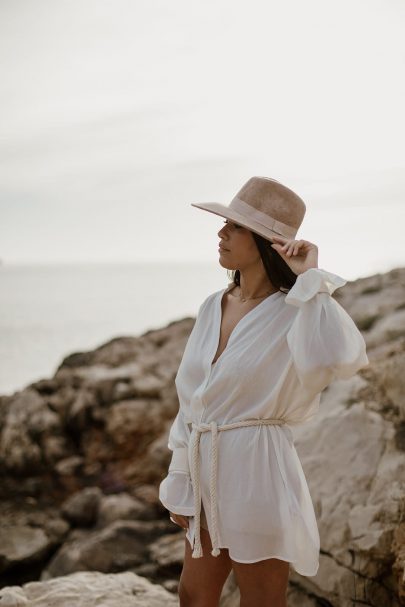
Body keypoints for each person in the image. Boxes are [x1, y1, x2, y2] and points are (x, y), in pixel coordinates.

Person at [158, 176, 369, 607]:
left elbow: (341, 356)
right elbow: (190, 400)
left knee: (261, 601)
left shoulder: (295, 309)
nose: (221, 234)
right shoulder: (212, 305)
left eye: (234, 227)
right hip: (206, 462)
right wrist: (180, 473)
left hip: (258, 470)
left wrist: (309, 279)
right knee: (193, 595)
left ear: (268, 242)